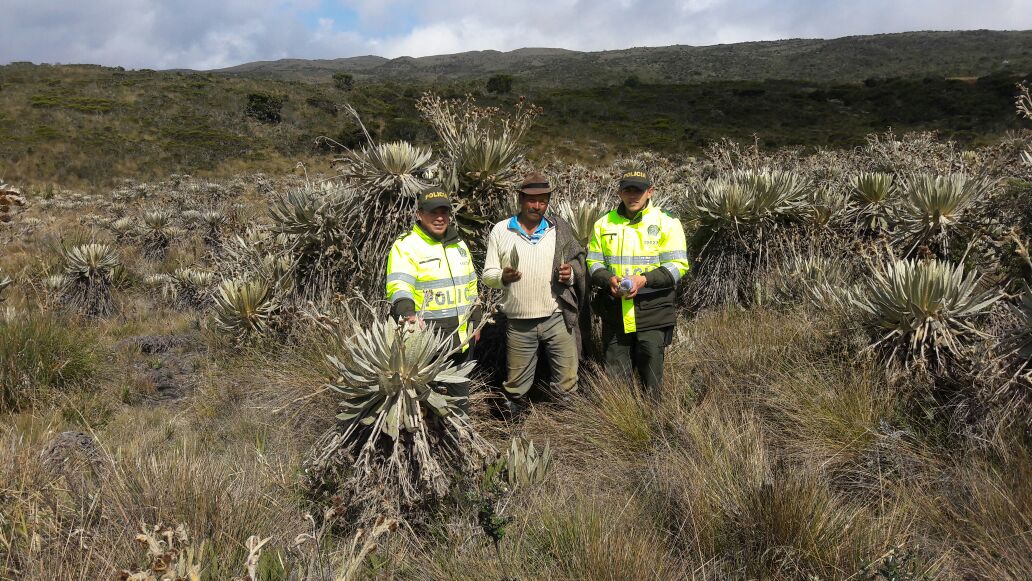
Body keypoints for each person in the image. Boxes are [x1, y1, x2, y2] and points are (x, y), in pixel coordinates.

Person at [482, 172, 586, 415]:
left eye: (542, 200)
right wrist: (502, 277)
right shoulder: (501, 230)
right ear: (520, 198)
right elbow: (488, 274)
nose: (536, 206)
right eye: (531, 199)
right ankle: (511, 424)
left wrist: (569, 275)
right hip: (519, 322)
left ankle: (565, 424)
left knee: (567, 380)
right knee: (516, 384)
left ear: (548, 201)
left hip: (556, 317)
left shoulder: (558, 230)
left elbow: (577, 264)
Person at [586, 169, 689, 397]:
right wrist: (607, 280)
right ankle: (619, 421)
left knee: (651, 378)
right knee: (615, 377)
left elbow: (678, 265)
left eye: (639, 190)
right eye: (627, 190)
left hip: (652, 312)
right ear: (619, 192)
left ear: (649, 192)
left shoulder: (667, 222)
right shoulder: (604, 223)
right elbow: (593, 261)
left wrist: (644, 280)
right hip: (614, 312)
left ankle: (652, 422)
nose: (633, 196)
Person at [385, 186, 480, 409]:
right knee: (426, 408)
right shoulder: (406, 246)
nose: (439, 218)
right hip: (427, 344)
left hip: (461, 342)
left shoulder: (459, 244)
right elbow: (399, 286)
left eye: (444, 212)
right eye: (432, 212)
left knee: (459, 405)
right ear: (419, 214)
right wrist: (408, 312)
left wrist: (476, 320)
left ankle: (460, 439)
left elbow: (471, 285)